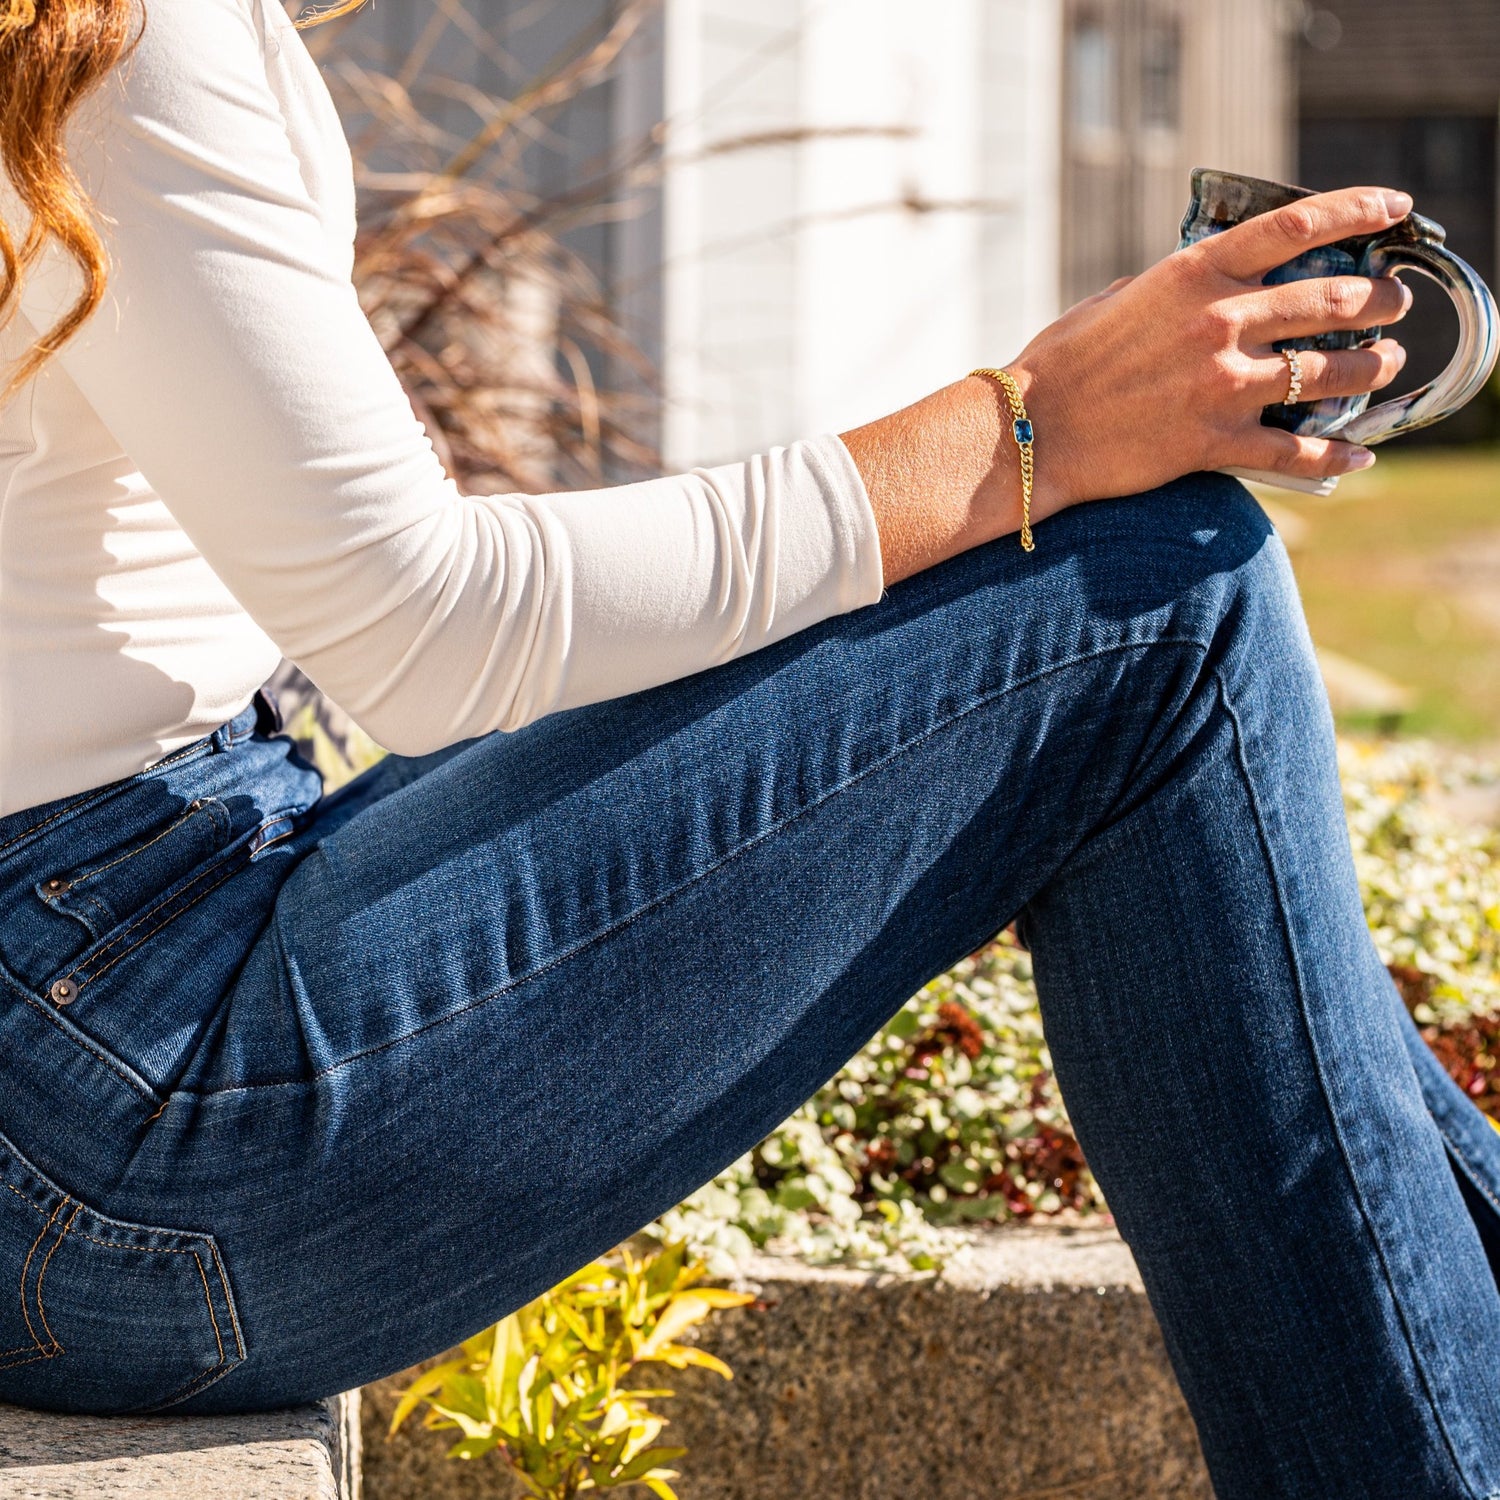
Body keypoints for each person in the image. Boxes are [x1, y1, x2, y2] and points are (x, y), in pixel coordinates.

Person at [1, 1, 1497, 1495]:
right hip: (112, 1125)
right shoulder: (119, 35)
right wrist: (1032, 424)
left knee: (1103, 605)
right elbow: (430, 629)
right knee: (1162, 604)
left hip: (96, 1001)